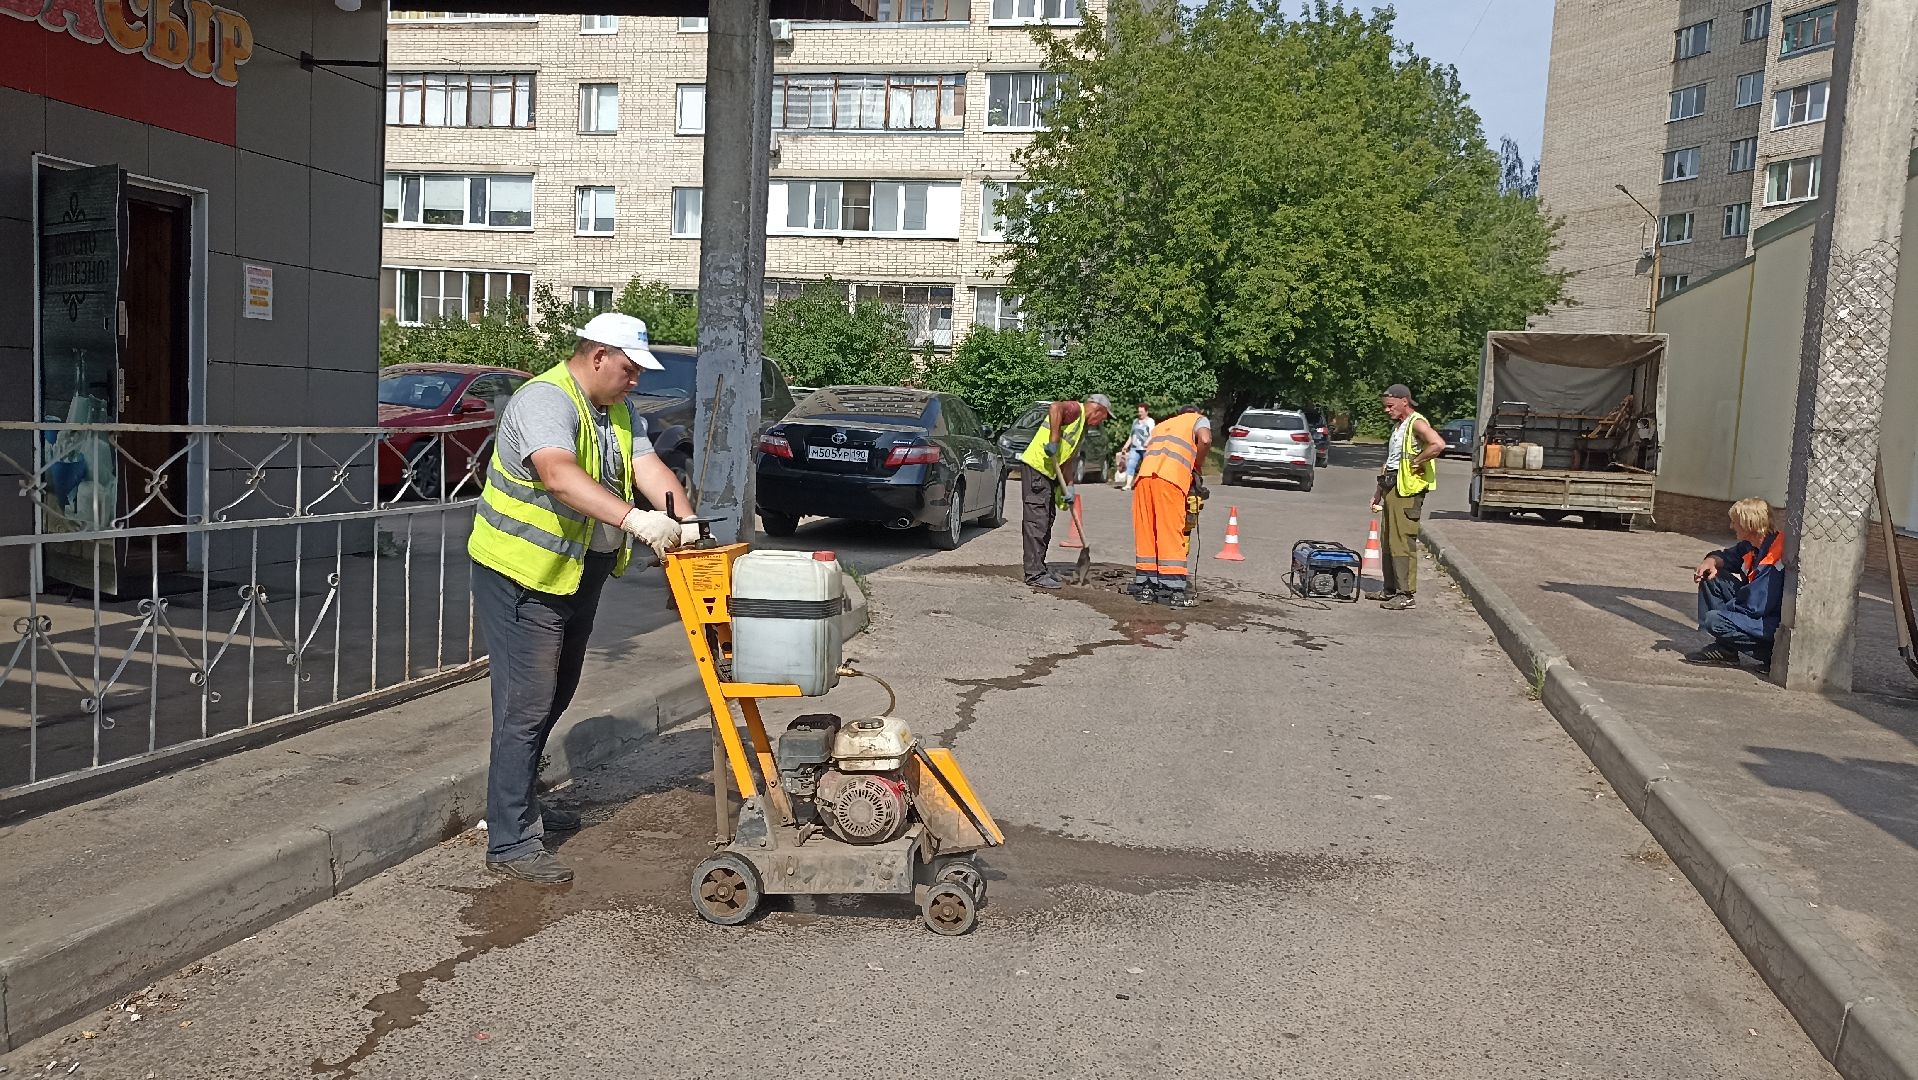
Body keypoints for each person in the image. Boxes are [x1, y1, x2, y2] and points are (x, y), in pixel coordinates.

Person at [468, 313, 699, 884]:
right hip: (522, 572)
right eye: (628, 368)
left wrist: (689, 527)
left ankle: (520, 805)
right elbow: (559, 476)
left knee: (556, 692)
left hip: (575, 572)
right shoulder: (545, 400)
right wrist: (637, 523)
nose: (635, 380)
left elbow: (651, 470)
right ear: (598, 356)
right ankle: (510, 839)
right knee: (528, 701)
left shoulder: (617, 412)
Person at [1019, 394, 1113, 589]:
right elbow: (1055, 407)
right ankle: (1034, 574)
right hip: (1037, 467)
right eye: (1103, 417)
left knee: (1047, 520)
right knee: (1037, 521)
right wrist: (1053, 440)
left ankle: (1040, 567)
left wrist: (1068, 486)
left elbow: (1067, 460)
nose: (1101, 422)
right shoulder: (1076, 410)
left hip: (1049, 473)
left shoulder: (1081, 429)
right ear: (1097, 409)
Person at [1687, 497, 1786, 672]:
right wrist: (1711, 561)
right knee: (1712, 578)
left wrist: (1723, 613)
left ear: (1749, 525)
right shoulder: (1751, 545)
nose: (1731, 526)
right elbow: (1726, 556)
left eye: (1735, 522)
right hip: (1753, 610)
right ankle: (1726, 651)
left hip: (1768, 623)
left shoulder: (1774, 557)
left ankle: (1771, 656)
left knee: (1715, 620)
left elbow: (1755, 606)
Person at [1371, 384, 1445, 611]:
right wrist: (1377, 493)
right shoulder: (1399, 427)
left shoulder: (1416, 423)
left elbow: (1438, 444)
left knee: (1402, 541)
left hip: (1408, 492)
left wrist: (1418, 460)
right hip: (1392, 488)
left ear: (1405, 401)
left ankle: (1406, 594)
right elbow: (1391, 461)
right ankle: (1390, 589)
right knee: (1388, 539)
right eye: (1386, 407)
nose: (1387, 410)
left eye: (1390, 406)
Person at [1130, 405, 1213, 608]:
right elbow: (1205, 439)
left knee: (1147, 535)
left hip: (1143, 479)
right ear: (1195, 412)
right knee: (1170, 533)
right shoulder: (1197, 419)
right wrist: (1196, 465)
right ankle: (1175, 591)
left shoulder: (1162, 424)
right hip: (1170, 481)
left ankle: (1147, 589)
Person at [1117, 403, 1155, 490]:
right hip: (1135, 448)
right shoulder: (1135, 421)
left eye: (1141, 412)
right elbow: (1131, 435)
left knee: (1147, 467)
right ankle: (1128, 485)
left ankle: (1147, 486)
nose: (1140, 413)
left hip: (1146, 448)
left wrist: (1147, 442)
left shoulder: (1150, 421)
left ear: (1146, 412)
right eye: (1139, 412)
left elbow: (1152, 434)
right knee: (1131, 465)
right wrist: (1126, 446)